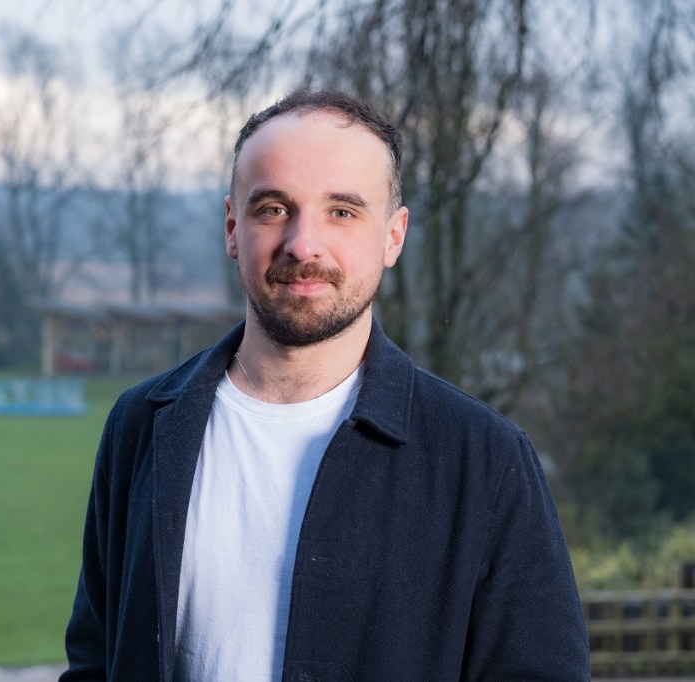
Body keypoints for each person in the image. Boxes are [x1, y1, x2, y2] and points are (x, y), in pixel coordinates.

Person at [61, 89, 590, 681]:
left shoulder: (484, 459)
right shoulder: (142, 425)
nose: (303, 244)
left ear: (393, 236)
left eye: (342, 211)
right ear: (233, 227)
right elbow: (95, 658)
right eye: (273, 209)